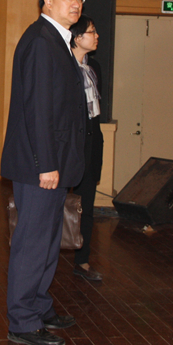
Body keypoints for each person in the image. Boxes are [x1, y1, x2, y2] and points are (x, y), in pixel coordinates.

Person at [1, 0, 87, 345]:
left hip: (56, 162)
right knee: (32, 243)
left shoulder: (58, 39)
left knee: (50, 241)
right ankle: (22, 321)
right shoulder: (40, 40)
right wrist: (46, 164)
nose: (76, 3)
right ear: (47, 1)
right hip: (41, 165)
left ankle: (39, 305)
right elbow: (38, 109)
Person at [69, 15, 104, 282]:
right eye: (92, 32)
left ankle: (82, 260)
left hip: (91, 143)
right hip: (70, 145)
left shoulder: (95, 68)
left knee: (87, 206)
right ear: (77, 37)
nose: (96, 36)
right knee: (57, 204)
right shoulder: (63, 67)